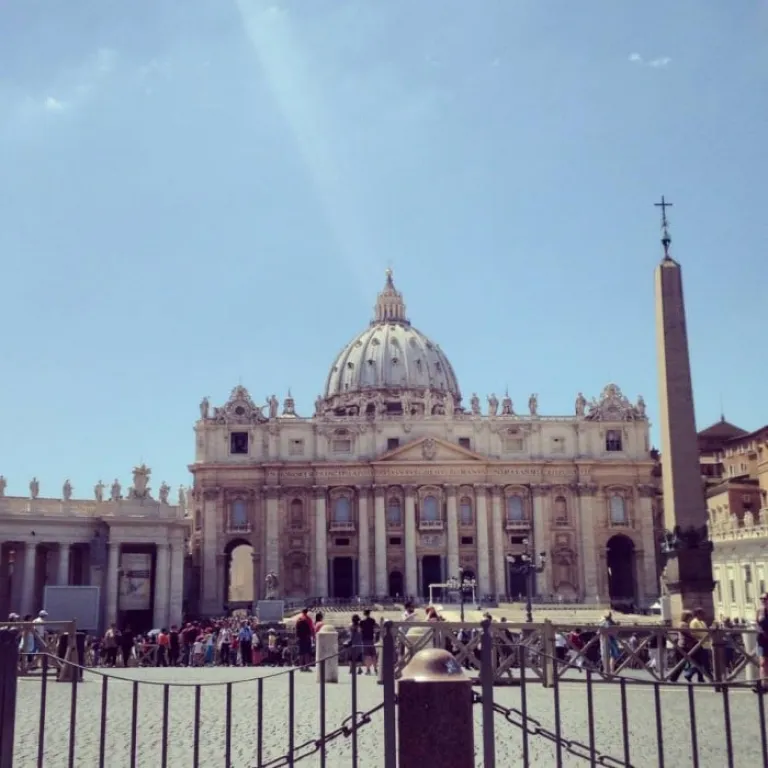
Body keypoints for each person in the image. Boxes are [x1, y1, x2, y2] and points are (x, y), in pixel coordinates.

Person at [359, 610, 378, 675]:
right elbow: (376, 627)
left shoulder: (361, 622)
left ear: (364, 614)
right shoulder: (372, 620)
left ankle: (368, 669)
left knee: (367, 656)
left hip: (365, 640)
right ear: (369, 613)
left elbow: (360, 631)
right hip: (371, 639)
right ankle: (375, 669)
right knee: (373, 655)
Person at [756, 593, 768, 689]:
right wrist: (760, 631)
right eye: (761, 598)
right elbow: (757, 623)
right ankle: (763, 685)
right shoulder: (759, 610)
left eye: (765, 598)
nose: (763, 600)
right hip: (761, 640)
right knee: (762, 663)